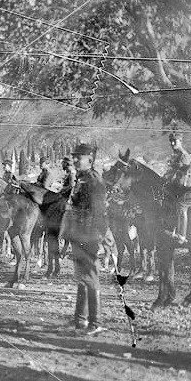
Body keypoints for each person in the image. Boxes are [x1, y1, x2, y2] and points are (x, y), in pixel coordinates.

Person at [67, 143, 108, 335]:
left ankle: (96, 322)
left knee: (90, 277)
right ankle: (80, 320)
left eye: (79, 157)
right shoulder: (81, 178)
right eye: (74, 157)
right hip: (78, 232)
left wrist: (100, 234)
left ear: (90, 160)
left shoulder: (93, 179)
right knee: (81, 277)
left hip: (90, 233)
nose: (75, 160)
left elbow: (99, 210)